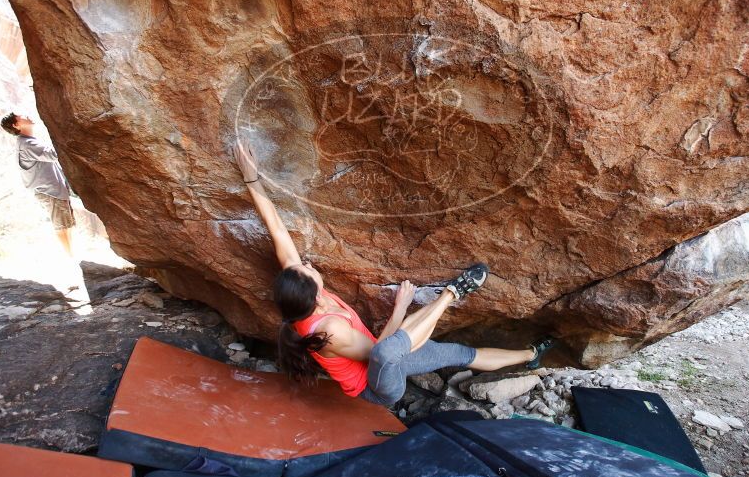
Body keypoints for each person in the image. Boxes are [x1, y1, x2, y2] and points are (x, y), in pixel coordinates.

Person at [233, 139, 554, 405]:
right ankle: (451, 295)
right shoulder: (329, 331)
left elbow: (276, 229)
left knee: (458, 353)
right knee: (390, 349)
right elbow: (379, 354)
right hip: (379, 387)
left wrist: (252, 178)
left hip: (391, 350)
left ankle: (529, 355)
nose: (308, 264)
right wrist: (400, 307)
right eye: (307, 269)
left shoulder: (300, 293)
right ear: (316, 296)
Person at [0, 112, 75, 259]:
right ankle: (70, 257)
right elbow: (54, 154)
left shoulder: (28, 141)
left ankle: (71, 254)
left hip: (52, 190)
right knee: (62, 225)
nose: (26, 116)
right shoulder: (27, 144)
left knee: (65, 224)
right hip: (50, 191)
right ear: (16, 125)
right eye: (21, 116)